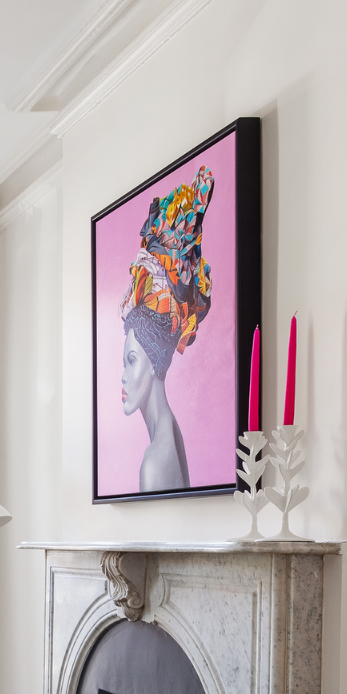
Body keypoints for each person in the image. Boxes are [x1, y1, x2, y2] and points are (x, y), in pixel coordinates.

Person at [119, 168, 214, 493]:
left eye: (131, 360)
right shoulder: (171, 434)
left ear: (156, 361)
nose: (123, 376)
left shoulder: (155, 460)